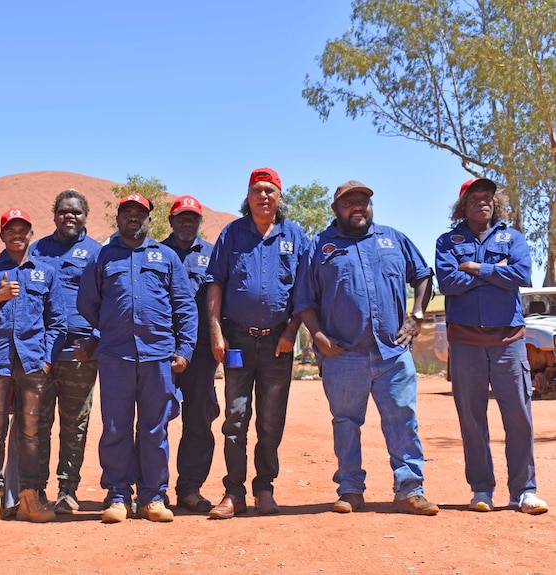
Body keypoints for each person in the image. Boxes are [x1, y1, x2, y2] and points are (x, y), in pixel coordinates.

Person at [295, 180, 439, 516]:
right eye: (349, 203)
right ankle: (349, 490)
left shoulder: (393, 238)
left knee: (403, 421)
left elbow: (422, 274)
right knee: (345, 422)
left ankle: (409, 490)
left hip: (392, 352)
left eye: (364, 202)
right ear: (335, 209)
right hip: (343, 355)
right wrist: (317, 335)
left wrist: (416, 315)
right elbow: (304, 299)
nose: (358, 207)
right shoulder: (320, 246)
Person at [77, 193, 197, 523]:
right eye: (127, 212)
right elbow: (87, 303)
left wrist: (184, 350)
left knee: (154, 429)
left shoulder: (167, 256)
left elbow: (185, 307)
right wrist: (110, 327)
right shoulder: (103, 257)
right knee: (116, 428)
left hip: (158, 357)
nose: (134, 217)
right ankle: (117, 495)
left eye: (139, 213)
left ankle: (153, 496)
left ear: (149, 219)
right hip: (116, 356)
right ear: (118, 218)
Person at [435, 177, 548, 515]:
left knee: (518, 417)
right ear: (462, 205)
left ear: (494, 203)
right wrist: (494, 271)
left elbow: (521, 273)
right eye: (474, 198)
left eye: (487, 197)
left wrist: (474, 267)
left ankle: (524, 492)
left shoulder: (512, 238)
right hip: (465, 342)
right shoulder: (447, 241)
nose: (482, 202)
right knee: (471, 419)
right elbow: (448, 283)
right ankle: (482, 489)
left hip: (508, 341)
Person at [205, 169, 307, 519]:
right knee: (235, 417)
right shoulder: (232, 233)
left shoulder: (295, 236)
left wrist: (292, 332)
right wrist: (216, 332)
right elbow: (215, 282)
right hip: (236, 342)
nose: (263, 196)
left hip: (278, 343)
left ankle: (264, 489)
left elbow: (304, 292)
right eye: (256, 191)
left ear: (279, 197)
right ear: (247, 197)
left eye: (269, 190)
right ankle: (234, 493)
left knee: (270, 420)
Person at [0, 208, 66, 523]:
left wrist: (48, 360)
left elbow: (58, 322)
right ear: (2, 236)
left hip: (33, 363)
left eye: (22, 230)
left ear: (30, 234)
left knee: (31, 433)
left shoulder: (46, 272)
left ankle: (29, 498)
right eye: (11, 230)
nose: (17, 235)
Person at [30, 189, 102, 514]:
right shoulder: (37, 250)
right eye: (62, 211)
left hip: (80, 352)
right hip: (41, 352)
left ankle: (67, 490)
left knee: (75, 423)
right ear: (54, 214)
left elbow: (111, 301)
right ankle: (36, 490)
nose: (69, 216)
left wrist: (96, 337)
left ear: (86, 216)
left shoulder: (98, 253)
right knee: (38, 423)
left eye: (75, 212)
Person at [160, 195, 221, 513]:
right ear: (171, 221)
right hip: (159, 351)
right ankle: (152, 490)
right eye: (181, 217)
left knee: (199, 420)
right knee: (155, 420)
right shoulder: (154, 253)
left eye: (193, 217)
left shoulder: (212, 255)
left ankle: (190, 489)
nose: (187, 222)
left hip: (200, 353)